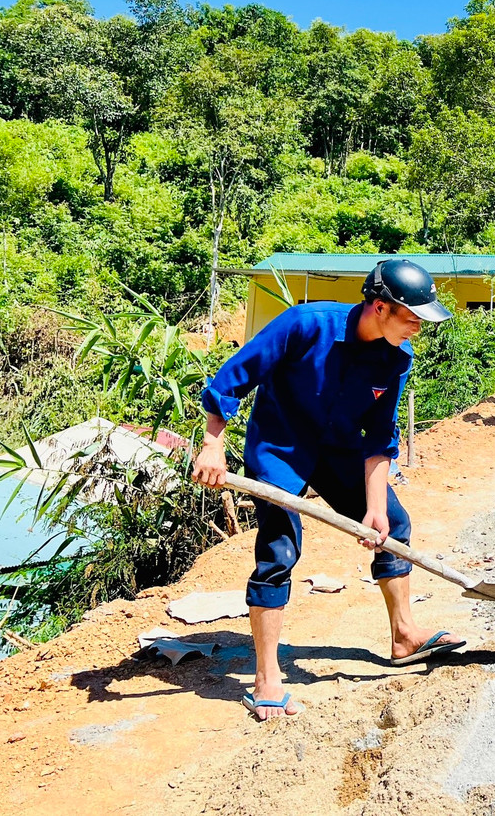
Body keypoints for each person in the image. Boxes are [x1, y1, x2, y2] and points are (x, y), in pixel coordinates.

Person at [190, 259, 459, 721]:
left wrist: (373, 508)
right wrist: (212, 446)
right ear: (380, 307)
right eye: (413, 318)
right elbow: (233, 377)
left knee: (394, 524)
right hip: (280, 448)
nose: (419, 328)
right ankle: (267, 676)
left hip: (338, 451)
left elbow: (378, 439)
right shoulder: (304, 325)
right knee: (279, 546)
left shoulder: (396, 357)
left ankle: (404, 635)